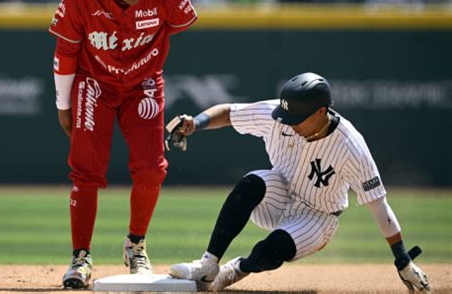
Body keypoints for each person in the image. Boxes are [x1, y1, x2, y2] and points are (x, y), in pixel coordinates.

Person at [165, 72, 431, 292]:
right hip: (280, 193)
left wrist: (404, 261)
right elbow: (229, 113)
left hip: (318, 217)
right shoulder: (278, 116)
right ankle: (209, 265)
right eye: (286, 116)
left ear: (321, 111)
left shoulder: (351, 147)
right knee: (252, 182)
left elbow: (378, 206)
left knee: (267, 253)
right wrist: (196, 124)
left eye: (297, 119)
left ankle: (235, 270)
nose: (289, 124)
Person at [48, 0, 197, 289]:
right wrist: (63, 105)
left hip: (143, 84)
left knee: (150, 167)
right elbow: (66, 51)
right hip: (93, 84)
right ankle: (80, 258)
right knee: (86, 169)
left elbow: (178, 25)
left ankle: (136, 245)